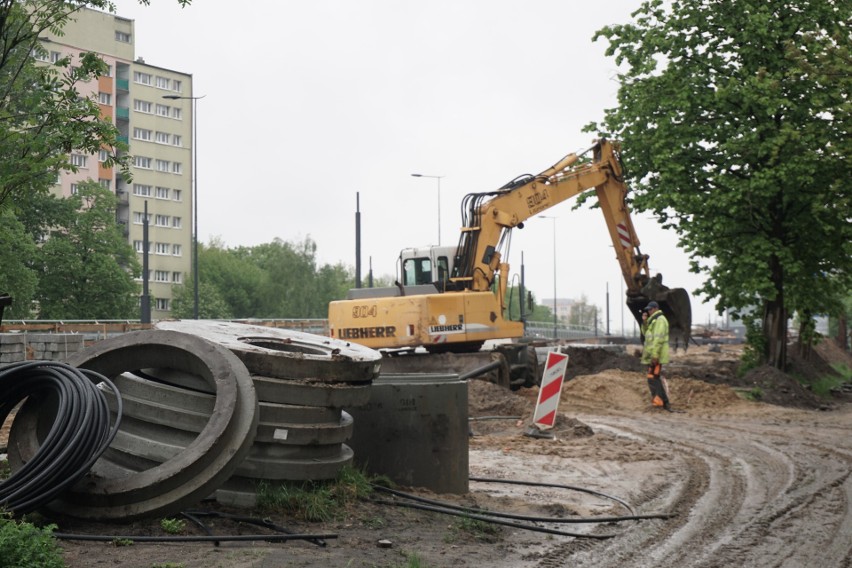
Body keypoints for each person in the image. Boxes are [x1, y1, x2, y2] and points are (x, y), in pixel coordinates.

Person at [641, 301, 672, 411]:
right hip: (653, 355)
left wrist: (655, 355)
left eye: (650, 309)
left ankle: (659, 402)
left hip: (657, 356)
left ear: (655, 309)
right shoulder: (653, 321)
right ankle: (664, 402)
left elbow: (658, 339)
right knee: (653, 378)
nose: (648, 312)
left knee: (653, 378)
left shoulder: (660, 320)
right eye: (648, 310)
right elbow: (646, 334)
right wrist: (644, 322)